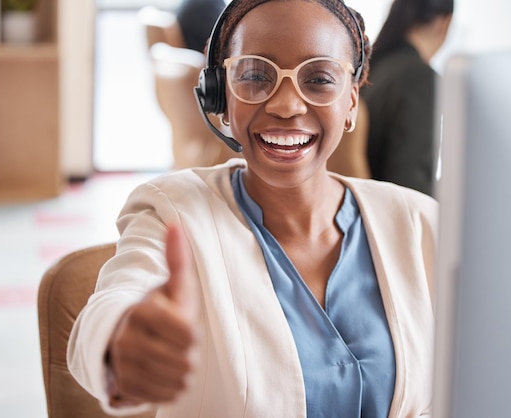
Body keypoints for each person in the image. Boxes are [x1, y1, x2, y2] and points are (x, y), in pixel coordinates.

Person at [67, 0, 438, 417]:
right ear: (220, 95)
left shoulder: (420, 223)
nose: (286, 105)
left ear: (351, 100)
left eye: (318, 79)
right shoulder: (172, 212)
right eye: (255, 76)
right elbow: (113, 306)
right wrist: (120, 343)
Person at [361, 0, 453, 196]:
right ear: (445, 23)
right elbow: (409, 183)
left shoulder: (372, 69)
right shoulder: (420, 77)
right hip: (388, 218)